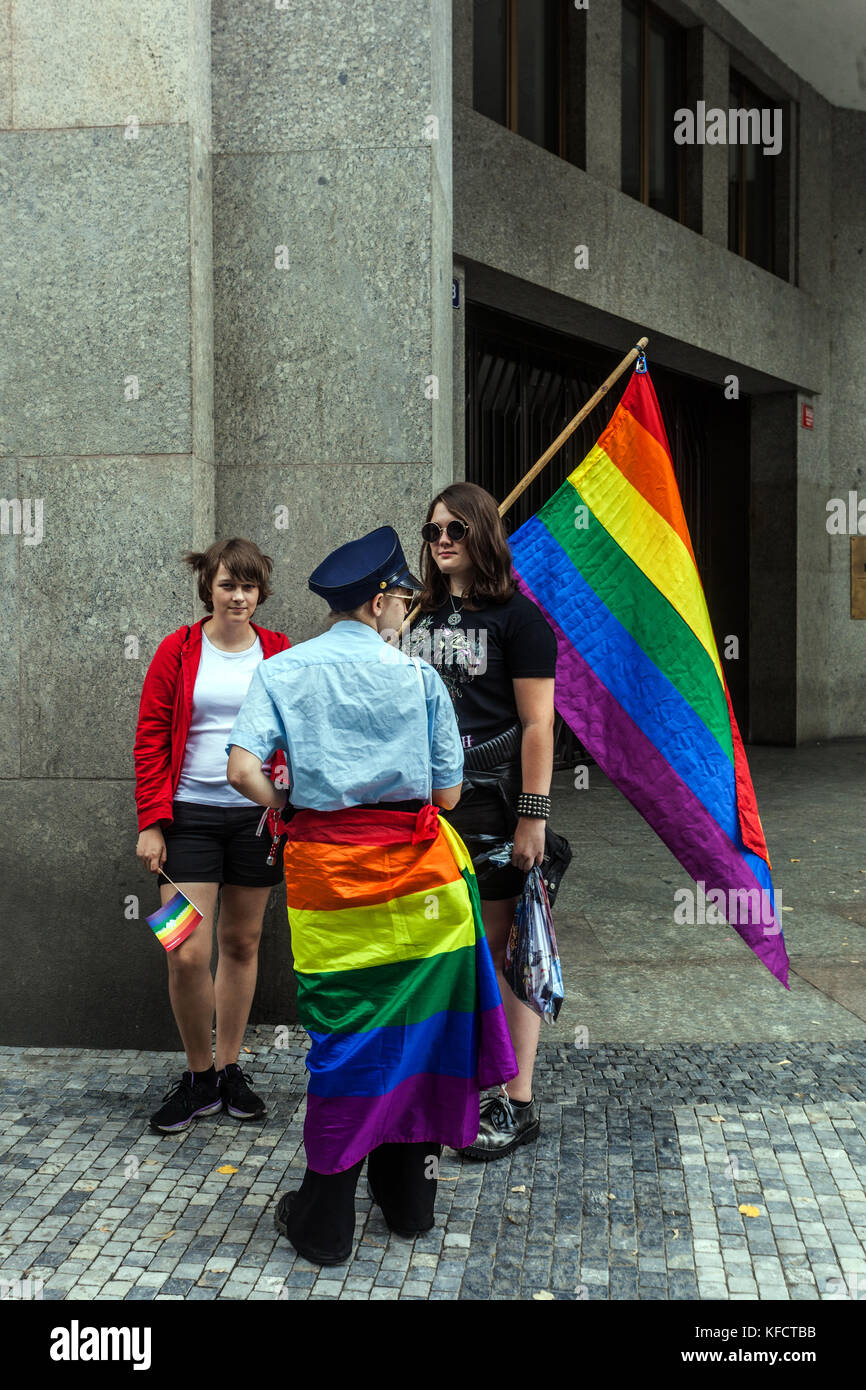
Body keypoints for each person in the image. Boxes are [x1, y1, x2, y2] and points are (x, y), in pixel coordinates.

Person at [225, 525, 518, 1265]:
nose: (407, 616)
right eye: (404, 602)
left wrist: (288, 807)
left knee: (347, 1040)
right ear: (383, 600)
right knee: (421, 1032)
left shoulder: (282, 670)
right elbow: (449, 793)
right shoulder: (418, 679)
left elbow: (239, 770)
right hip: (425, 883)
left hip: (331, 882)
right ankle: (408, 1203)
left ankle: (326, 1219)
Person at [408, 481, 559, 1161]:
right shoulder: (416, 616)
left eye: (455, 530)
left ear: (483, 536)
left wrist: (532, 817)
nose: (442, 540)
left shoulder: (519, 622)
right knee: (445, 949)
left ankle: (517, 1101)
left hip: (495, 803)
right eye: (434, 530)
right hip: (427, 810)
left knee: (504, 951)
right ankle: (454, 1087)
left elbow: (537, 723)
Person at [134, 538, 291, 1134]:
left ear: (260, 593)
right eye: (228, 584)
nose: (239, 596)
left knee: (242, 943)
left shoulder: (278, 651)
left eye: (249, 586)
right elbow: (151, 735)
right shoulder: (177, 650)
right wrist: (151, 821)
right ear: (209, 588)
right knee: (184, 950)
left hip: (256, 818)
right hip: (188, 817)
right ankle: (198, 1075)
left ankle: (228, 1070)